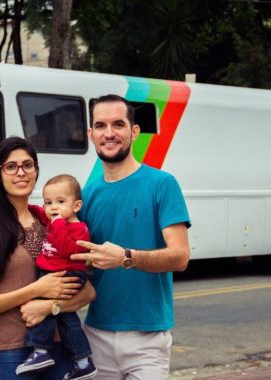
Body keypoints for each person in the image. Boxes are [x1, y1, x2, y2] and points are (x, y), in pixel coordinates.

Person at [0, 136, 95, 380]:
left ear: (36, 170)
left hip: (60, 350)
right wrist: (35, 289)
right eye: (10, 166)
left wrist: (50, 306)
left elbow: (88, 292)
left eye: (28, 165)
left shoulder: (49, 222)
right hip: (11, 352)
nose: (21, 173)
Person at [71, 94, 191, 379]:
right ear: (91, 134)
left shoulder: (162, 184)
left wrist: (126, 257)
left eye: (118, 124)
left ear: (134, 131)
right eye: (100, 126)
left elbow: (181, 257)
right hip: (96, 333)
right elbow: (79, 265)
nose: (109, 133)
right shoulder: (86, 195)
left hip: (147, 338)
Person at [17, 174, 96, 380]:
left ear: (77, 205)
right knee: (66, 319)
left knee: (43, 306)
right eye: (48, 202)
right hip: (56, 272)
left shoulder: (78, 228)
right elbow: (41, 214)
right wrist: (29, 208)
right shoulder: (55, 219)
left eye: (60, 202)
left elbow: (68, 249)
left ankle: (41, 351)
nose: (53, 208)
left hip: (65, 273)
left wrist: (58, 224)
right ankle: (83, 361)